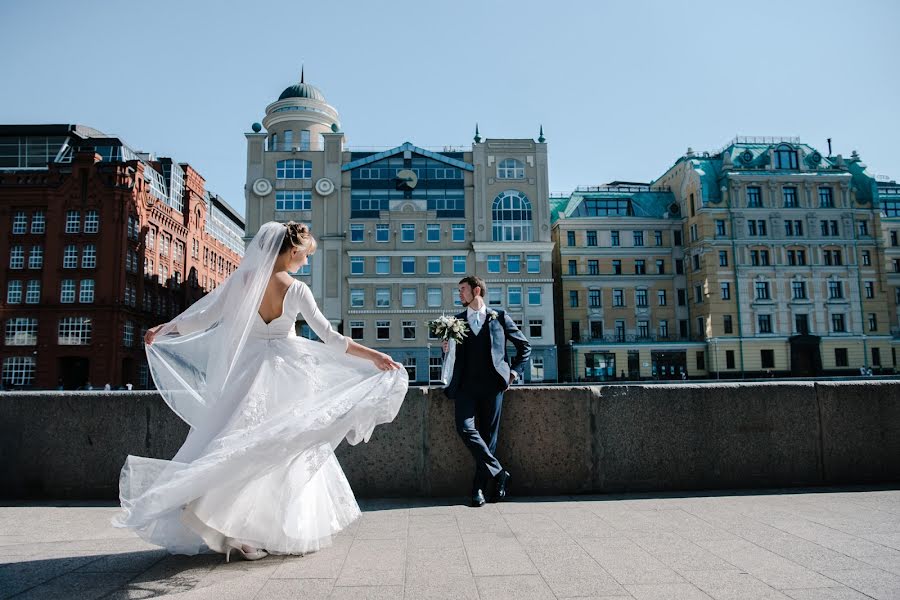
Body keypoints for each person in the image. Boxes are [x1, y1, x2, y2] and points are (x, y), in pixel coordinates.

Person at [113, 222, 408, 561]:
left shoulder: (244, 281)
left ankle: (228, 521)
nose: (306, 262)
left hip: (248, 372)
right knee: (282, 452)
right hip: (289, 375)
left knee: (235, 445)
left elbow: (204, 318)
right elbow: (331, 338)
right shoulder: (297, 289)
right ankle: (259, 529)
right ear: (293, 251)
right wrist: (375, 356)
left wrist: (164, 329)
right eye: (306, 255)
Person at [442, 276, 530, 507]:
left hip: (493, 387)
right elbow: (451, 360)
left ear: (476, 290)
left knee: (489, 439)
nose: (459, 294)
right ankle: (500, 473)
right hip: (465, 388)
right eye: (459, 290)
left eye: (463, 289)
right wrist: (447, 349)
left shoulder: (499, 317)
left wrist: (512, 374)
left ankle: (478, 489)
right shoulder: (456, 321)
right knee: (465, 428)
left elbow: (525, 347)